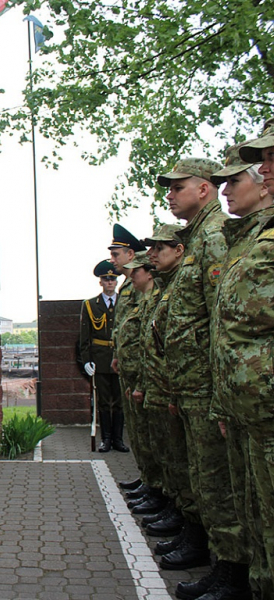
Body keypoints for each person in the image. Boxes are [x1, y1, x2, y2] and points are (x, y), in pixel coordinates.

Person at [157, 157, 246, 580]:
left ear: (204, 189)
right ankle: (209, 551)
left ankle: (228, 571)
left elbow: (218, 320)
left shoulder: (212, 237)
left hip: (207, 387)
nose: (170, 195)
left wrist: (218, 393)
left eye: (177, 187)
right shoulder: (197, 240)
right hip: (191, 385)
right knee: (202, 476)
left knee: (214, 482)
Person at [205, 140, 274, 599]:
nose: (265, 169)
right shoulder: (246, 239)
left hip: (264, 405)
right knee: (257, 518)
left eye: (235, 179)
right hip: (249, 405)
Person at [132, 226, 194, 548]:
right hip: (165, 388)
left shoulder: (176, 285)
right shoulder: (164, 289)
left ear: (179, 249)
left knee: (187, 464)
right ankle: (173, 506)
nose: (153, 254)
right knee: (172, 457)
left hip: (186, 391)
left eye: (160, 248)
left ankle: (188, 525)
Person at [107, 224, 150, 487]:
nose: (112, 260)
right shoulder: (128, 282)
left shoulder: (141, 278)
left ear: (131, 253)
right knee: (138, 431)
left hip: (140, 366)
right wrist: (117, 354)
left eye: (116, 254)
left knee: (147, 431)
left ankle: (154, 486)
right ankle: (148, 479)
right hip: (128, 364)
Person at [79, 260, 126, 453]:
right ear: (100, 282)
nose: (109, 283)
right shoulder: (90, 305)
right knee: (104, 401)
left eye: (113, 279)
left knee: (120, 401)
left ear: (116, 282)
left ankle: (118, 439)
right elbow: (85, 337)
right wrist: (86, 360)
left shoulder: (125, 303)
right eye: (106, 279)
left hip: (121, 358)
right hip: (100, 359)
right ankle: (106, 439)